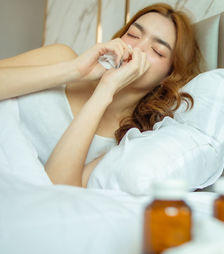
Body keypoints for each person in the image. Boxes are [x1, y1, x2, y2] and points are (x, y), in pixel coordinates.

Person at [0, 3, 203, 187]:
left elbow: (58, 192)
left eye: (157, 51)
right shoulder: (61, 57)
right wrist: (75, 71)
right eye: (133, 34)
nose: (137, 48)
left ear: (167, 77)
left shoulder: (126, 142)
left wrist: (105, 90)